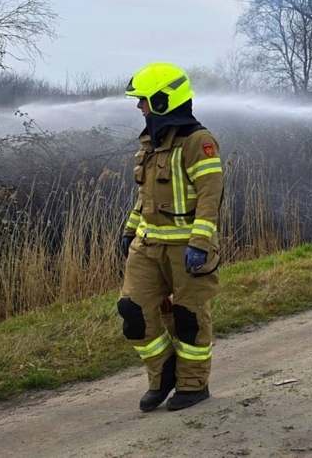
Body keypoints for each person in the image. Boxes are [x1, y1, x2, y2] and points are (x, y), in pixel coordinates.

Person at [118, 63, 223, 412]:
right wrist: (130, 229)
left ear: (163, 100)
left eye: (144, 100)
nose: (139, 108)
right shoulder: (149, 143)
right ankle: (163, 373)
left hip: (187, 250)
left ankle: (194, 384)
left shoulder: (199, 142)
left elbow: (210, 198)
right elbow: (145, 195)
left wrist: (200, 243)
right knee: (133, 311)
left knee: (189, 318)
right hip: (147, 246)